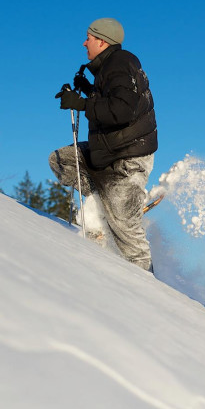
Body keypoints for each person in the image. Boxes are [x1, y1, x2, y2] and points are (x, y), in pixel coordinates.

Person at [50, 18, 157, 272]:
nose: (84, 42)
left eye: (89, 37)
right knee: (62, 160)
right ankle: (105, 205)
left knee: (128, 238)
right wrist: (87, 90)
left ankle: (150, 292)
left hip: (127, 160)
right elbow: (113, 103)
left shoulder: (120, 64)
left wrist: (82, 104)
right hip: (108, 154)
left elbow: (121, 111)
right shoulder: (109, 68)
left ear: (102, 41)